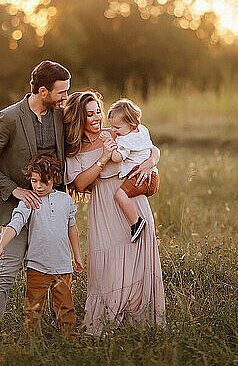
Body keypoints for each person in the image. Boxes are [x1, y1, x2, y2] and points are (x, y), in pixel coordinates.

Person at [0, 60, 71, 334]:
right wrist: (15, 190)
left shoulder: (58, 115)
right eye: (61, 92)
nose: (65, 97)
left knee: (55, 271)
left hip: (51, 210)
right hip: (19, 210)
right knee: (6, 273)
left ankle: (56, 328)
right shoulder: (9, 118)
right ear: (43, 91)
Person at [64, 91, 165, 336]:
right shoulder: (74, 149)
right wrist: (103, 158)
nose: (98, 117)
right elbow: (79, 184)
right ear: (79, 118)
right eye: (90, 114)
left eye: (98, 111)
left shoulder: (114, 132)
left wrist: (150, 163)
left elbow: (151, 148)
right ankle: (104, 323)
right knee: (107, 265)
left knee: (139, 262)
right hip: (105, 207)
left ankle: (142, 325)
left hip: (133, 202)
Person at [0, 153, 84, 339]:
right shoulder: (29, 201)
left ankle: (70, 343)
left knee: (66, 309)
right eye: (34, 181)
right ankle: (34, 344)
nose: (39, 186)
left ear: (55, 178)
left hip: (62, 267)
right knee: (33, 311)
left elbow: (72, 228)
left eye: (44, 181)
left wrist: (77, 255)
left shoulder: (65, 200)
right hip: (37, 267)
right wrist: (1, 245)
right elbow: (15, 223)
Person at [103, 98, 159, 243]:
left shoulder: (126, 140)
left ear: (131, 124)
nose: (114, 130)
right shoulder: (142, 130)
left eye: (117, 127)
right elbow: (152, 148)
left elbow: (117, 158)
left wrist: (109, 145)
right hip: (152, 176)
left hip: (142, 177)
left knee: (120, 195)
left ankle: (136, 222)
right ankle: (136, 222)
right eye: (112, 126)